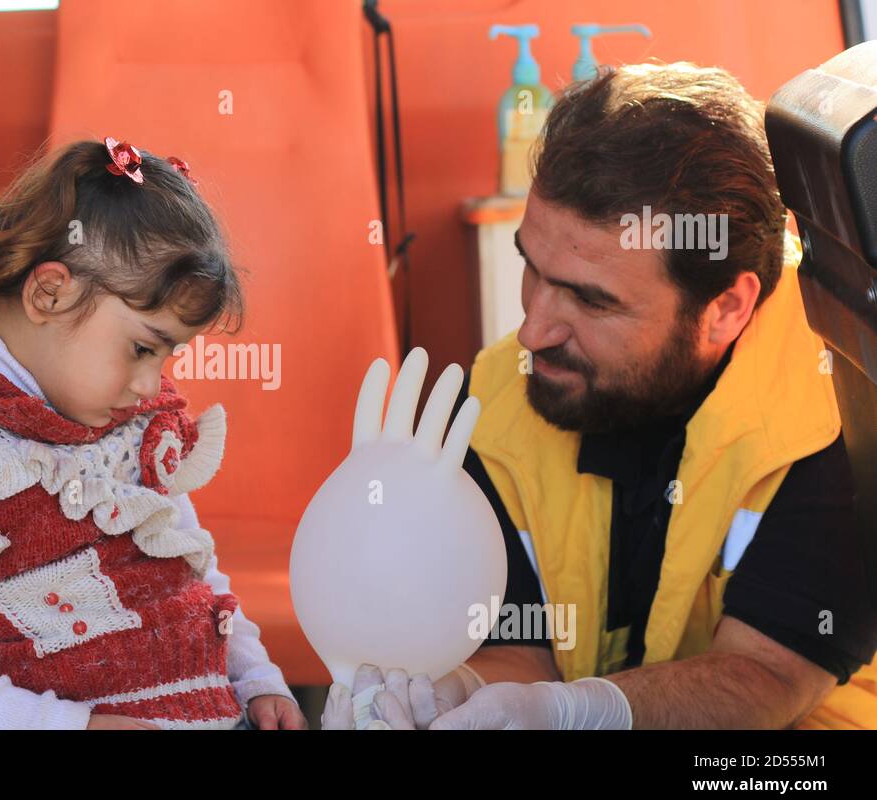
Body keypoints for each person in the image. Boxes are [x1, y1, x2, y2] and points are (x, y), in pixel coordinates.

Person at [326, 63, 877, 730]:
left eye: (591, 298)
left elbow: (764, 678)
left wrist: (576, 711)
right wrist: (454, 694)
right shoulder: (500, 401)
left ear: (727, 306)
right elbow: (518, 651)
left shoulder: (840, 412)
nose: (532, 329)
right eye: (532, 266)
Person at [0, 137, 304, 729]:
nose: (151, 384)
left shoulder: (135, 425)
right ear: (50, 292)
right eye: (142, 348)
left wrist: (258, 682)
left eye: (166, 357)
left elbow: (194, 574)